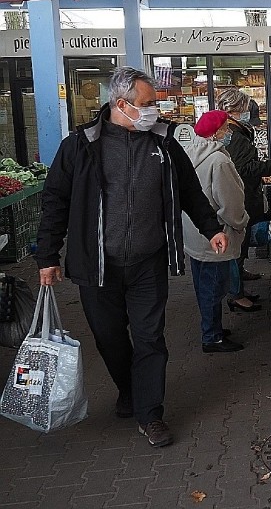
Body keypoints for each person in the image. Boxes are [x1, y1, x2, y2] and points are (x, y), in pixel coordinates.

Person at [35, 66, 228, 448]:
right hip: (97, 265)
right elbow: (55, 200)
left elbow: (188, 189)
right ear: (121, 104)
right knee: (109, 338)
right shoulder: (80, 145)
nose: (154, 110)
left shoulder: (163, 143)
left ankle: (150, 413)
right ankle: (129, 389)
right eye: (147, 104)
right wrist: (47, 256)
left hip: (147, 262)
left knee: (150, 338)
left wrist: (212, 226)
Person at [180, 111, 250, 353]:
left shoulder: (189, 154)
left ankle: (212, 327)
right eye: (225, 128)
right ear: (216, 132)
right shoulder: (218, 161)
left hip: (194, 232)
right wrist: (241, 222)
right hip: (216, 234)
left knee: (202, 284)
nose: (228, 133)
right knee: (215, 286)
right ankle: (212, 337)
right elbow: (230, 203)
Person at [215, 88, 271, 306]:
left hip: (242, 194)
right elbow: (246, 168)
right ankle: (236, 295)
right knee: (237, 243)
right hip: (240, 197)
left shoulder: (237, 132)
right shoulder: (234, 136)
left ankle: (240, 280)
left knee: (241, 244)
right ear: (235, 109)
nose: (247, 113)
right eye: (244, 109)